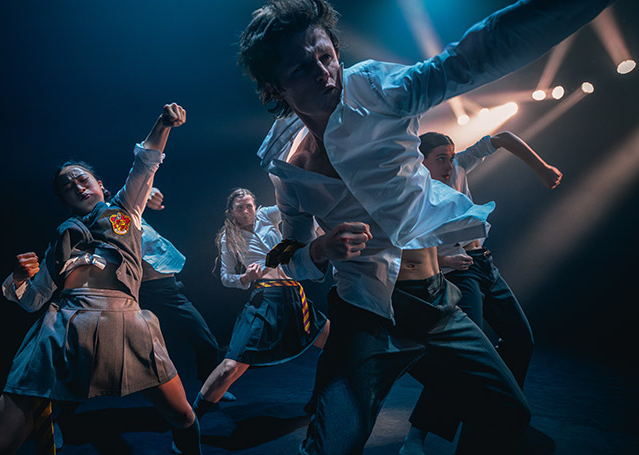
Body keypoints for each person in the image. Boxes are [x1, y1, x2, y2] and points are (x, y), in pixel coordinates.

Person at [236, 0, 610, 453]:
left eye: (326, 55)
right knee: (331, 445)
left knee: (509, 412)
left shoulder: (378, 88)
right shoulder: (289, 169)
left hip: (435, 301)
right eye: (301, 68)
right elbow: (287, 256)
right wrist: (320, 251)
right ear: (276, 86)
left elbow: (472, 56)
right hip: (365, 317)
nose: (323, 74)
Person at [0, 103, 203, 455]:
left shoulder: (124, 213)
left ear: (100, 184)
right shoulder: (62, 238)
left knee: (183, 415)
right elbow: (34, 299)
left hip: (128, 323)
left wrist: (162, 124)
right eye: (68, 186)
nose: (77, 186)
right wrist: (19, 277)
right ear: (63, 200)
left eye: (82, 179)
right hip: (63, 329)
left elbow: (145, 166)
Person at [401, 131, 562, 454]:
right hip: (454, 273)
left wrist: (542, 167)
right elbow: (405, 249)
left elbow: (501, 137)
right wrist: (446, 259)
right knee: (463, 358)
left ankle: (498, 418)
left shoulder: (459, 167)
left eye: (451, 156)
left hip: (484, 265)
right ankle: (416, 437)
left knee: (520, 340)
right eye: (440, 158)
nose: (449, 164)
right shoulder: (413, 192)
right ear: (422, 161)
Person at [191, 188, 330, 418]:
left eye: (249, 206)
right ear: (231, 212)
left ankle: (319, 399)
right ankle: (189, 421)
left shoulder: (266, 216)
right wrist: (245, 277)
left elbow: (294, 207)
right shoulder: (229, 238)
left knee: (337, 348)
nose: (246, 211)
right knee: (230, 368)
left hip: (296, 296)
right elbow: (226, 277)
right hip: (266, 299)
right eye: (240, 208)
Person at [140, 187, 235, 401]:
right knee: (145, 351)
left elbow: (138, 187)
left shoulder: (125, 208)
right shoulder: (99, 219)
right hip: (140, 293)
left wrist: (149, 192)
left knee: (206, 340)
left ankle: (210, 386)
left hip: (168, 289)